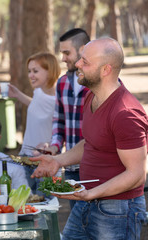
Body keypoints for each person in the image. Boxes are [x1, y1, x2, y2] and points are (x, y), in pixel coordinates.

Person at [31, 38, 148, 240]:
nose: (77, 64)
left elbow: (137, 174)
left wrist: (92, 193)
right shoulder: (90, 96)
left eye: (85, 62)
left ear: (105, 70)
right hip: (87, 201)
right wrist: (58, 160)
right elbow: (92, 142)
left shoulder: (125, 113)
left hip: (117, 210)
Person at [38, 28, 90, 208]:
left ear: (83, 50)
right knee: (78, 222)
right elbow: (59, 121)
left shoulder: (97, 83)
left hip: (94, 168)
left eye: (66, 53)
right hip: (71, 169)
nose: (62, 58)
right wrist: (54, 146)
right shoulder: (62, 83)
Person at [8, 52, 61, 193]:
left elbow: (62, 127)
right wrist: (18, 95)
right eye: (29, 71)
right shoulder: (38, 92)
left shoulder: (58, 99)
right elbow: (37, 107)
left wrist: (50, 145)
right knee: (26, 203)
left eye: (35, 71)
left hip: (45, 161)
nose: (30, 75)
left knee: (46, 206)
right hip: (26, 157)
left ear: (50, 71)